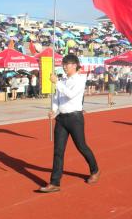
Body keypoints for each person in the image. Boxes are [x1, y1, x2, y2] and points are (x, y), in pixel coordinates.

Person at [39, 54, 99, 193]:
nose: (64, 67)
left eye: (67, 64)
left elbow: (70, 94)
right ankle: (55, 182)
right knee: (58, 151)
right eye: (63, 64)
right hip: (61, 119)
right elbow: (57, 97)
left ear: (74, 65)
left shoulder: (79, 80)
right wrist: (53, 110)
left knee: (81, 146)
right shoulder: (63, 80)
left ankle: (95, 169)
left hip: (75, 118)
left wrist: (57, 83)